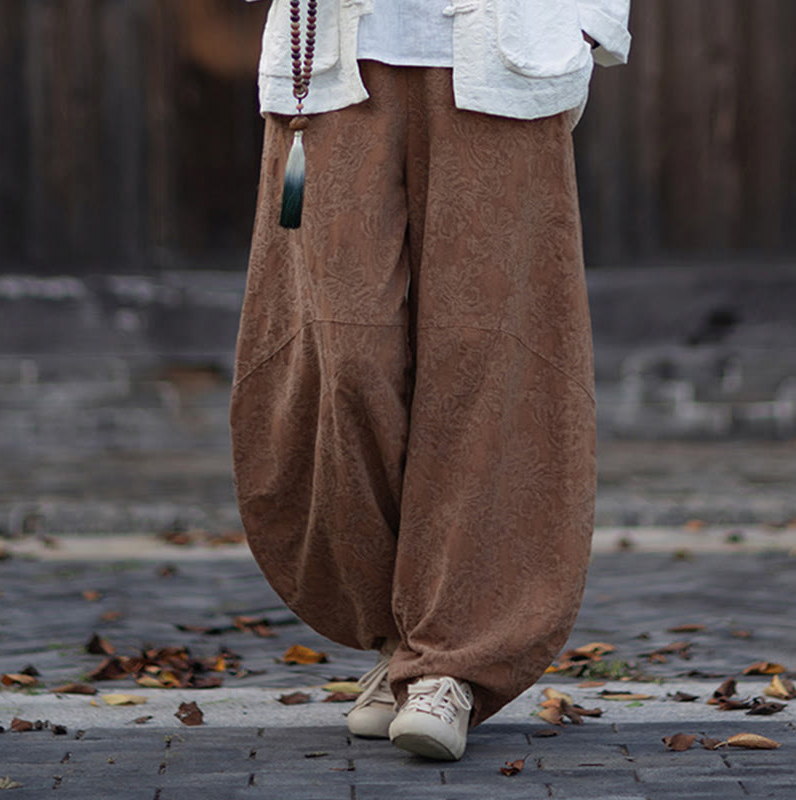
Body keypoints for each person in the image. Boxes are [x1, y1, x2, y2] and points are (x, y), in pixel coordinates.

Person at [232, 0, 630, 761]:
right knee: (346, 356)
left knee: (484, 358)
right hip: (337, 67)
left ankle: (449, 662)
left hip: (503, 54)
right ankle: (400, 630)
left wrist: (588, 20)